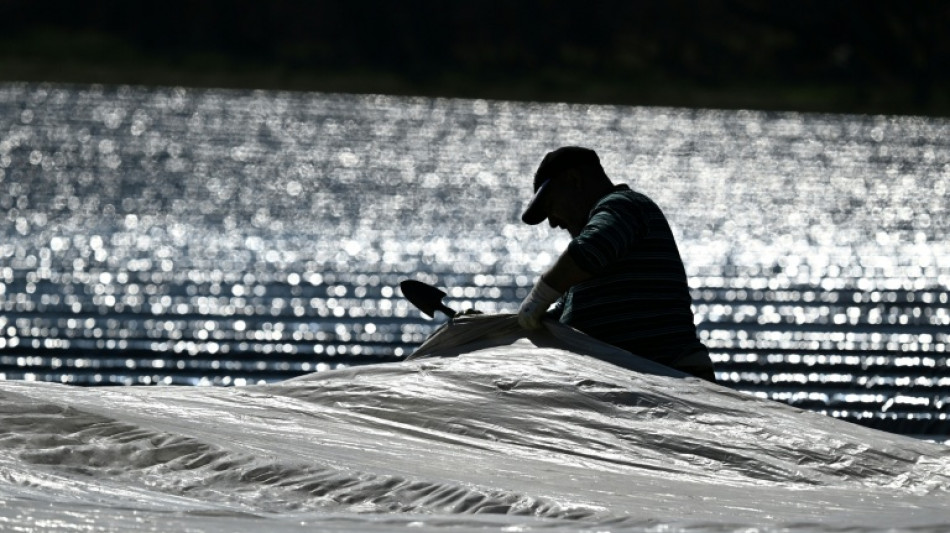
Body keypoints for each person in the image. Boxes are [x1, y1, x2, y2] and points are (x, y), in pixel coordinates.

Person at [517, 146, 715, 382]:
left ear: (574, 180)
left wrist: (536, 299)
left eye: (550, 206)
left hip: (672, 378)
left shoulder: (624, 206)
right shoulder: (585, 271)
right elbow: (556, 316)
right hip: (635, 385)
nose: (552, 223)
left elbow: (589, 249)